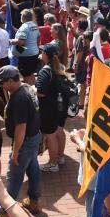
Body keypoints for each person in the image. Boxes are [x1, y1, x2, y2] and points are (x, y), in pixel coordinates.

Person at [0, 65, 42, 217]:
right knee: (33, 169)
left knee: (13, 176)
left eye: (2, 82)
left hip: (25, 142)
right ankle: (33, 201)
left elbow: (21, 128)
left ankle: (6, 214)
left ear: (12, 80)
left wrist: (15, 152)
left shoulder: (19, 98)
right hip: (34, 138)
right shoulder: (26, 87)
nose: (0, 85)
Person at [37, 43, 67, 173]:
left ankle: (53, 163)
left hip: (49, 108)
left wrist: (34, 91)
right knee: (60, 131)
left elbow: (41, 92)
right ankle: (60, 157)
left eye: (42, 51)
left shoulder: (45, 70)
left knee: (50, 135)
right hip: (61, 106)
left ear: (45, 55)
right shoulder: (60, 67)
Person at [11, 9, 40, 85]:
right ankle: (34, 89)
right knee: (30, 74)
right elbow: (36, 37)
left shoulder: (24, 27)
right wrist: (14, 29)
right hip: (34, 54)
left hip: (26, 57)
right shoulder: (34, 26)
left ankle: (30, 94)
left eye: (21, 16)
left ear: (23, 18)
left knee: (26, 77)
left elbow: (21, 42)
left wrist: (10, 41)